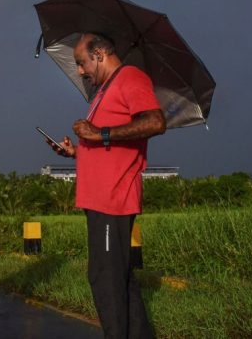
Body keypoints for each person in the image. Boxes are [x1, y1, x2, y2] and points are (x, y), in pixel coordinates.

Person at [49, 33, 165, 339]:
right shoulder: (103, 91)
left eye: (82, 63)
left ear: (100, 53)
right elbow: (103, 142)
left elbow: (155, 122)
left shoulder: (131, 77)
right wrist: (76, 150)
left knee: (105, 279)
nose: (80, 71)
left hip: (112, 199)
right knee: (120, 278)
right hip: (99, 198)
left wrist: (99, 134)